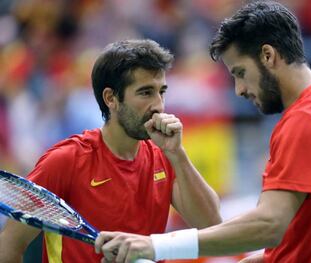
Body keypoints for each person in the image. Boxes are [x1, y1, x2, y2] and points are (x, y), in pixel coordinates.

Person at [94, 2, 311, 263]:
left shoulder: (304, 122)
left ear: (269, 55)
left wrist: (155, 246)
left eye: (240, 73)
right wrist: (275, 257)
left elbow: (269, 225)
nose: (239, 90)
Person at [0, 39, 221, 262]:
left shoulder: (165, 156)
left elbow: (212, 225)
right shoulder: (66, 160)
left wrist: (178, 154)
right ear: (111, 98)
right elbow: (10, 244)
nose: (158, 105)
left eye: (161, 92)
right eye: (145, 93)